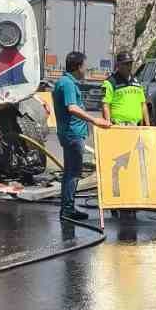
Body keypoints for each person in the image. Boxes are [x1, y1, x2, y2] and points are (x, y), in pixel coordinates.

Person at [52, 51, 108, 227]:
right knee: (73, 173)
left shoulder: (64, 82)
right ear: (77, 67)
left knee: (70, 172)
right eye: (85, 66)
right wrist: (94, 120)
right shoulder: (68, 84)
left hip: (70, 133)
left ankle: (68, 208)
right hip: (73, 134)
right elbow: (72, 108)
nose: (86, 70)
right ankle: (67, 210)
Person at [102, 51, 149, 127]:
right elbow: (105, 105)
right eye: (126, 64)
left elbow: (143, 104)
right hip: (118, 126)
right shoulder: (110, 82)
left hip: (136, 126)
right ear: (118, 65)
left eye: (130, 63)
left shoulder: (137, 82)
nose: (129, 66)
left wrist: (147, 125)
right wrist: (108, 123)